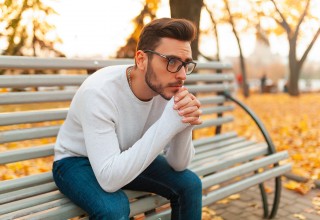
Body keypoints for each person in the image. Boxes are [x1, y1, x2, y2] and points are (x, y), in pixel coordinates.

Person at [52, 18, 203, 220]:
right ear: (141, 60)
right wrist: (169, 123)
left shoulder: (168, 88)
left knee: (190, 184)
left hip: (126, 153)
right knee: (113, 208)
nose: (182, 75)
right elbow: (109, 179)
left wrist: (184, 123)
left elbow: (178, 164)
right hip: (76, 161)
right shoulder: (99, 92)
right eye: (172, 61)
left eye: (186, 64)